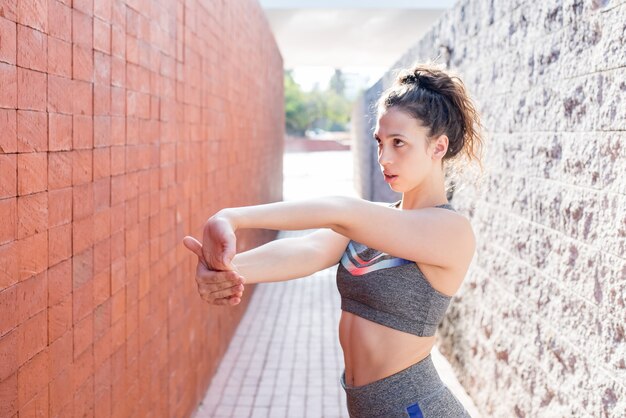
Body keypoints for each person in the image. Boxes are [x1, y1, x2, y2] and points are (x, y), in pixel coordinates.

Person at [183, 62, 484, 417]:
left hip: (415, 408)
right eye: (380, 142)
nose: (384, 158)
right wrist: (227, 269)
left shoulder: (449, 230)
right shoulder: (377, 223)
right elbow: (307, 248)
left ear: (438, 147)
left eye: (399, 143)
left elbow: (342, 211)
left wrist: (233, 217)